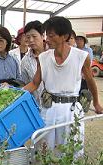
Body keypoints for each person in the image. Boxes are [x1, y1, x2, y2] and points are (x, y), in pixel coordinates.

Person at [24, 16, 103, 152]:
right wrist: (14, 94)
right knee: (44, 150)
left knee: (71, 151)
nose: (47, 39)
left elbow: (90, 81)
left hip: (71, 110)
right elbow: (34, 83)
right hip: (48, 109)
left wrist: (96, 103)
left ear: (65, 36)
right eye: (46, 35)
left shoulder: (81, 57)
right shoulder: (43, 57)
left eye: (51, 35)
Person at [21, 21, 46, 107]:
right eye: (28, 37)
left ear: (43, 36)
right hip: (36, 106)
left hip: (55, 106)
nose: (31, 40)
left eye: (34, 36)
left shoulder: (53, 54)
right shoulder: (25, 61)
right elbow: (25, 83)